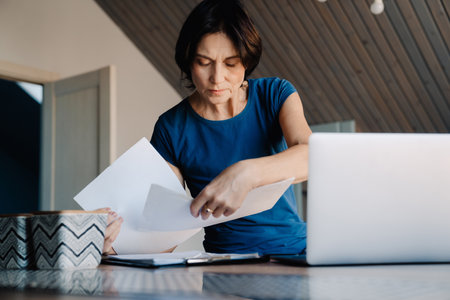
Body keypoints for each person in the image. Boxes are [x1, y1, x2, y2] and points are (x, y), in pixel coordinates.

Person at [102, 0, 311, 256]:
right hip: (225, 263)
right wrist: (114, 245)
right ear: (189, 62)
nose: (217, 78)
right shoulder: (172, 127)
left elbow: (312, 157)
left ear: (246, 62)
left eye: (231, 64)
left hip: (297, 253)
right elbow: (165, 232)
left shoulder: (275, 94)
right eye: (204, 62)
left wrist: (245, 173)